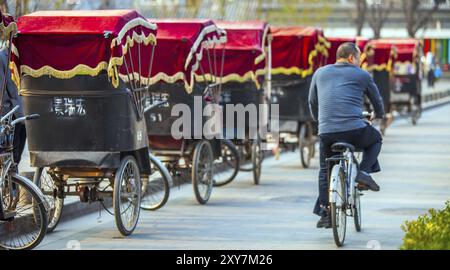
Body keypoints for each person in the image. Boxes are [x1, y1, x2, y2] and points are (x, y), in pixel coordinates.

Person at [308, 42, 385, 228]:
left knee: (325, 170)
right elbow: (377, 101)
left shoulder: (319, 73)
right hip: (354, 131)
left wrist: (321, 123)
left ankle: (326, 212)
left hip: (327, 132)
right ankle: (363, 172)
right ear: (352, 58)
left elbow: (312, 102)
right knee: (376, 138)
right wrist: (379, 115)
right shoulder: (362, 75)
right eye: (359, 59)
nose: (359, 62)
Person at [0, 46, 26, 166]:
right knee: (11, 156)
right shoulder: (2, 57)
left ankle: (13, 183)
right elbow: (1, 90)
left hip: (25, 113)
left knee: (17, 156)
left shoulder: (25, 55)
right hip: (11, 115)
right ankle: (11, 184)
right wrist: (10, 111)